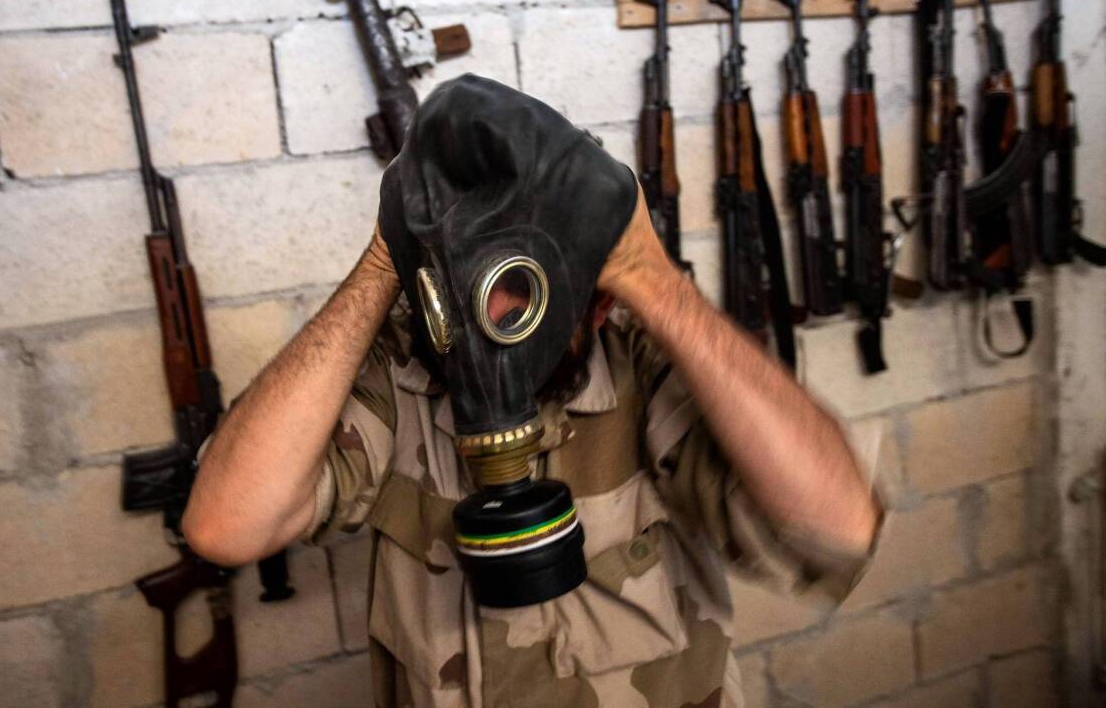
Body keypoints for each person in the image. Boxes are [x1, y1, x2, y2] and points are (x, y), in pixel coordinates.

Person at [183, 75, 882, 707]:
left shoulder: (639, 364)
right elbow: (224, 525)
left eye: (523, 301)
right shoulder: (401, 369)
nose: (491, 333)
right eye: (469, 290)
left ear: (597, 302)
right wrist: (381, 262)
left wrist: (657, 284)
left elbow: (839, 524)